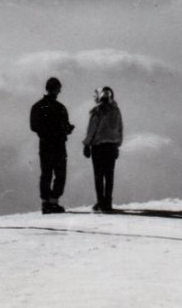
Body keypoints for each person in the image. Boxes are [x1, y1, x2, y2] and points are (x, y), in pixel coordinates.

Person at [29, 76, 74, 213]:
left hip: (46, 144)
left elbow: (34, 126)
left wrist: (46, 133)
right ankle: (53, 201)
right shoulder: (60, 108)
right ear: (56, 89)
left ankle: (46, 202)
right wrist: (65, 130)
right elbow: (64, 125)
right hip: (58, 144)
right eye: (58, 89)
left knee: (46, 173)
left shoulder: (37, 106)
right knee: (60, 174)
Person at [83, 86, 124, 212]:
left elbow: (92, 130)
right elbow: (119, 129)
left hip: (98, 147)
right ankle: (108, 203)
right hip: (111, 146)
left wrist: (86, 144)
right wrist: (117, 145)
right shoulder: (116, 111)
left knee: (99, 175)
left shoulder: (97, 111)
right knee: (109, 175)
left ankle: (101, 202)